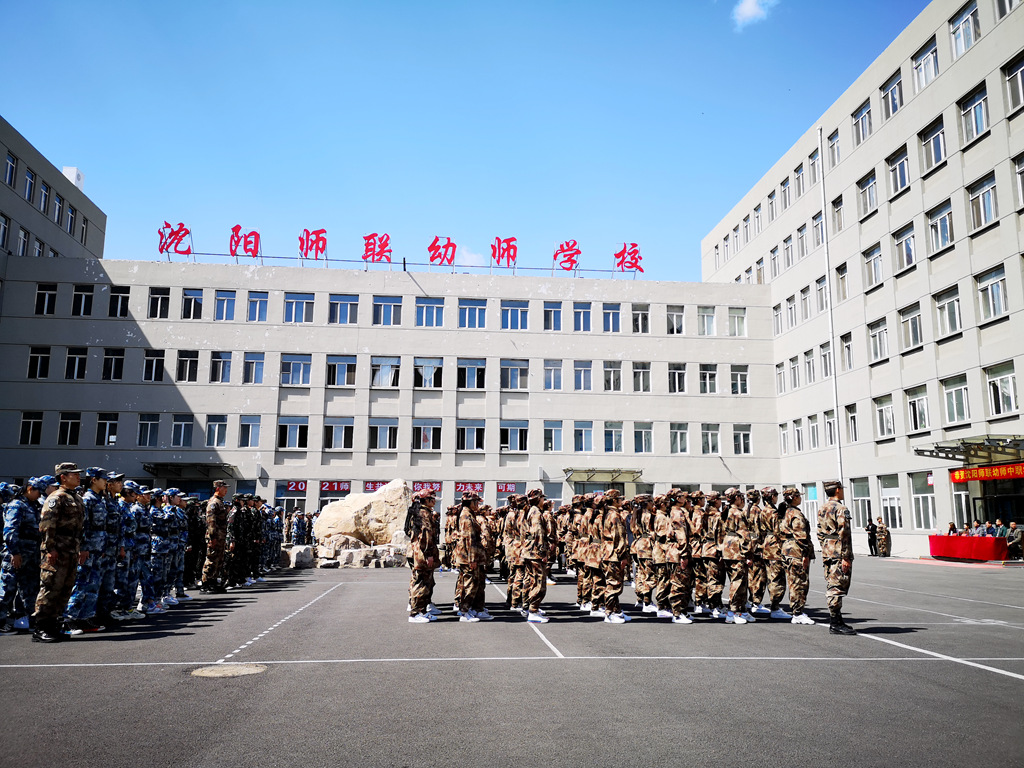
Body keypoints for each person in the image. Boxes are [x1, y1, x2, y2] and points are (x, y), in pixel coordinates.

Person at [32, 463, 85, 643]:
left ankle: (54, 624)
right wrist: (50, 549)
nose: (78, 477)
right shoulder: (56, 497)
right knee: (50, 586)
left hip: (71, 547)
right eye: (74, 474)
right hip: (57, 547)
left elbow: (79, 527)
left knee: (65, 587)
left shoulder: (76, 497)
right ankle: (41, 627)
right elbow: (47, 525)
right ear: (63, 477)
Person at [0, 478, 46, 634]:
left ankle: (28, 619)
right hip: (17, 554)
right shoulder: (16, 505)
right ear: (30, 488)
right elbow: (10, 531)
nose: (40, 495)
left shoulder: (33, 506)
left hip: (31, 554)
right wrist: (15, 552)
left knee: (30, 589)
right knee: (8, 588)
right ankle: (1, 622)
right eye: (38, 491)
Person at [817, 481, 856, 636]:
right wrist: (845, 556)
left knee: (833, 583)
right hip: (839, 551)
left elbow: (819, 532)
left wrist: (826, 546)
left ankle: (837, 620)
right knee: (836, 587)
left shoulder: (822, 508)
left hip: (828, 551)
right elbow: (844, 534)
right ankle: (835, 622)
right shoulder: (841, 509)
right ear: (838, 490)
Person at [779, 487, 815, 626]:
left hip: (788, 549)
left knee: (794, 582)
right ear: (794, 498)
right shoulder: (795, 514)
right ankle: (798, 613)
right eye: (798, 496)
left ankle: (797, 611)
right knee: (799, 583)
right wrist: (805, 554)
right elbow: (801, 536)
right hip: (796, 551)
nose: (800, 498)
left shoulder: (785, 512)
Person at [407, 489, 440, 623]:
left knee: (425, 583)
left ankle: (422, 611)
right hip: (422, 554)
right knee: (421, 583)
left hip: (420, 552)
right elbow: (425, 536)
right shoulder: (424, 513)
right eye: (432, 499)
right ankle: (415, 613)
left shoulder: (421, 512)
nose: (434, 501)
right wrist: (428, 554)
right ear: (426, 500)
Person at [201, 480, 230, 592]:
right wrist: (212, 537)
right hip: (215, 536)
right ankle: (206, 582)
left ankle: (213, 581)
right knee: (211, 559)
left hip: (220, 536)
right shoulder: (214, 502)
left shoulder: (219, 502)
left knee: (219, 559)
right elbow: (211, 521)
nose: (226, 490)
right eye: (224, 488)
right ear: (218, 488)